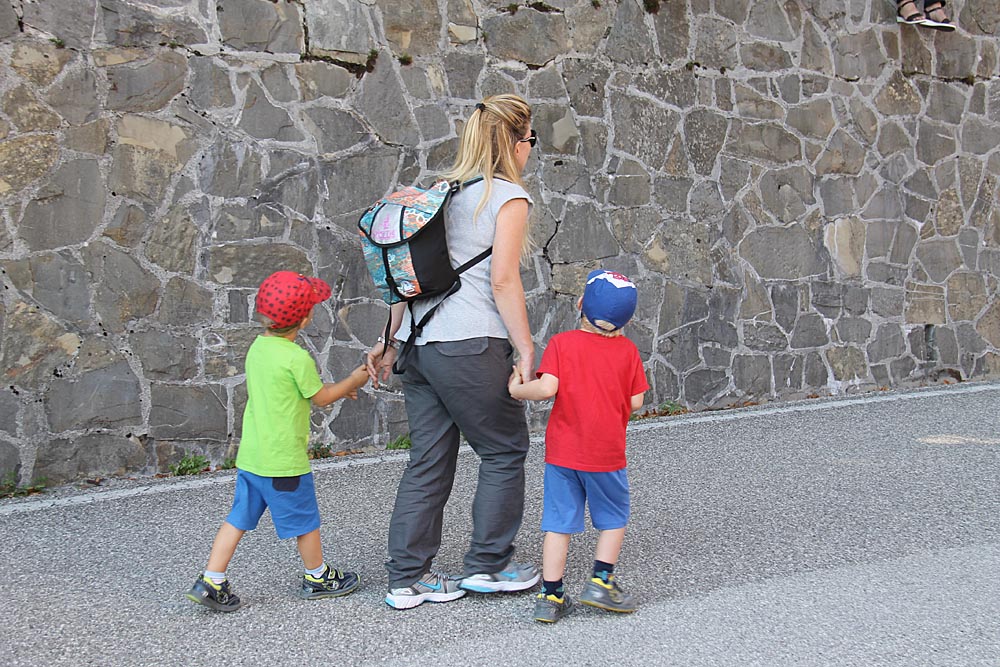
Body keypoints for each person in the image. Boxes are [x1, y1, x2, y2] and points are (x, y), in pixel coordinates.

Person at [365, 94, 540, 610]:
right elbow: (503, 280)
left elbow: (406, 280)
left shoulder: (437, 194)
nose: (531, 148)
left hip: (420, 347)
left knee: (428, 460)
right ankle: (489, 565)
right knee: (504, 449)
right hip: (471, 346)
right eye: (531, 139)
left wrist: (389, 342)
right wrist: (526, 348)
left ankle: (407, 579)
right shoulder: (507, 197)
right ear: (515, 142)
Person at [186, 270, 370, 612]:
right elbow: (321, 397)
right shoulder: (296, 357)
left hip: (253, 458)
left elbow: (291, 391)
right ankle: (317, 577)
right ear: (306, 318)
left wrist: (340, 388)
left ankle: (212, 579)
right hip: (283, 462)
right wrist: (353, 380)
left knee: (237, 518)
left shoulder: (258, 348)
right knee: (306, 521)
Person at [507, 269, 649, 623]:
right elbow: (636, 402)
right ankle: (601, 581)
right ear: (627, 321)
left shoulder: (562, 343)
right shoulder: (628, 351)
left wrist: (516, 389)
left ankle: (550, 596)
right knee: (614, 517)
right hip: (607, 455)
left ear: (581, 304)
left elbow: (546, 389)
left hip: (563, 455)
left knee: (559, 523)